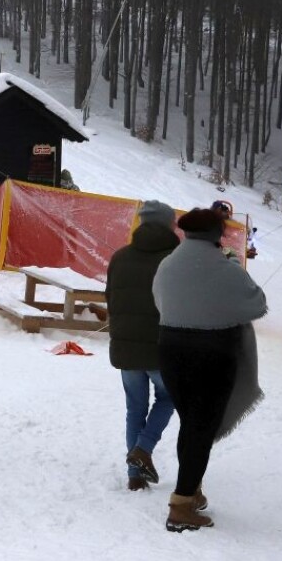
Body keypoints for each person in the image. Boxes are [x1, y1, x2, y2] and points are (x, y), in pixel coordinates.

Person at [154, 207, 268, 532]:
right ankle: (181, 505)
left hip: (170, 349)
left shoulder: (168, 264)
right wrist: (233, 265)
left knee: (190, 422)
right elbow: (257, 303)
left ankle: (191, 490)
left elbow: (160, 302)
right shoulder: (224, 266)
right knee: (201, 428)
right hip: (213, 354)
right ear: (216, 235)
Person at [106, 200, 179, 492]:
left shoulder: (120, 257)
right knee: (169, 398)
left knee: (134, 409)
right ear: (167, 224)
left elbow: (110, 298)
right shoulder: (175, 259)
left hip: (126, 347)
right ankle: (143, 449)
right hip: (163, 348)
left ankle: (135, 475)